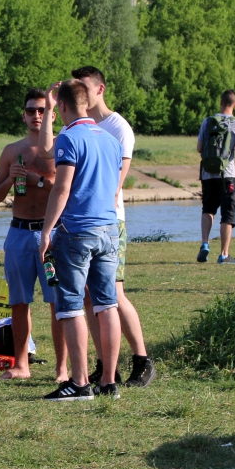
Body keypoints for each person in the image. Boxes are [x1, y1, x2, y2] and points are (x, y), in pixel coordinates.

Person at [69, 67, 155, 389]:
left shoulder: (118, 128)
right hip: (83, 222)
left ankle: (143, 360)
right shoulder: (80, 126)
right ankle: (107, 365)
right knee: (90, 297)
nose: (80, 92)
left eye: (84, 87)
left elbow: (115, 185)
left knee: (114, 295)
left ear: (100, 89)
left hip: (109, 221)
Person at [38, 79, 124, 401]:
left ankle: (79, 383)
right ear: (87, 102)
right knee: (107, 304)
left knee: (71, 305)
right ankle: (109, 382)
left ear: (62, 106)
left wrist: (47, 231)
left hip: (78, 231)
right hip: (109, 229)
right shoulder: (111, 139)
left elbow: (62, 188)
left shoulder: (69, 137)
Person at [0, 88, 65, 382]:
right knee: (18, 302)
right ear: (23, 115)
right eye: (32, 110)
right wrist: (11, 178)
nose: (37, 115)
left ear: (52, 115)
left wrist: (39, 182)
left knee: (58, 301)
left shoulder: (60, 146)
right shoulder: (11, 150)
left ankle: (62, 368)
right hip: (19, 233)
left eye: (42, 110)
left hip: (51, 235)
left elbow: (66, 192)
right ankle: (21, 365)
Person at [196, 90, 235, 264]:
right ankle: (224, 254)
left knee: (208, 209)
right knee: (228, 214)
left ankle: (205, 243)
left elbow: (199, 148)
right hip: (228, 174)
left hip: (207, 174)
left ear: (220, 102)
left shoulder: (207, 121)